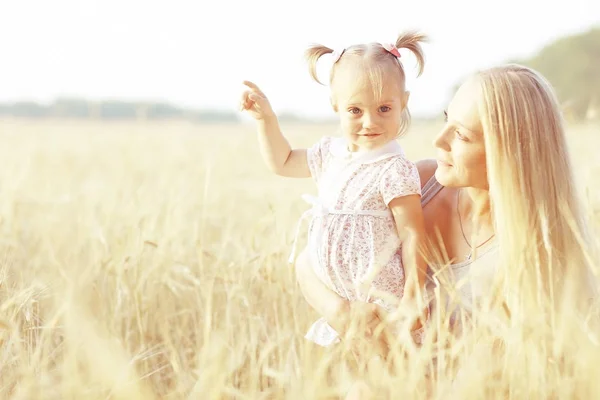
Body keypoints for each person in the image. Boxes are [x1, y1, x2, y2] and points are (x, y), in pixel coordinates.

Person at [295, 64, 598, 392]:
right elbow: (308, 259)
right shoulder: (420, 184)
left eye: (462, 135)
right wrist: (340, 311)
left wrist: (393, 370)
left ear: (512, 151)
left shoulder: (541, 260)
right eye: (445, 120)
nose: (439, 141)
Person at [239, 31, 431, 347]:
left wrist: (412, 294)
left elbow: (412, 234)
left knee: (382, 375)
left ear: (403, 103)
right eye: (355, 111)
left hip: (379, 301)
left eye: (384, 108)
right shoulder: (330, 154)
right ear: (336, 107)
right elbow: (283, 162)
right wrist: (266, 121)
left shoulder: (394, 168)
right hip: (337, 299)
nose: (370, 122)